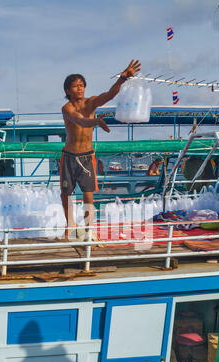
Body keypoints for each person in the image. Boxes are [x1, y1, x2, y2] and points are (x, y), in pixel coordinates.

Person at [60, 60, 141, 240]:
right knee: (66, 193)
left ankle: (90, 230)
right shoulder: (67, 108)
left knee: (89, 195)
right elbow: (79, 120)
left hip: (87, 156)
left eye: (82, 85)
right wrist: (96, 121)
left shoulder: (92, 103)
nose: (80, 88)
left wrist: (122, 79)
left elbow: (109, 95)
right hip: (69, 156)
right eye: (75, 86)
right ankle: (70, 224)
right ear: (68, 90)